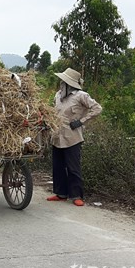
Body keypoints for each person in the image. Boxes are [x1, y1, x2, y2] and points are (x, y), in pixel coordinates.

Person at [47, 68, 102, 206]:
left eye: (63, 81)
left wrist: (81, 121)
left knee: (73, 167)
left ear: (69, 83)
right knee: (57, 166)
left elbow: (97, 108)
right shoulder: (58, 95)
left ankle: (76, 195)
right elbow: (54, 112)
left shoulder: (81, 95)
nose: (61, 83)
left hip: (72, 137)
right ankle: (61, 193)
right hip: (57, 135)